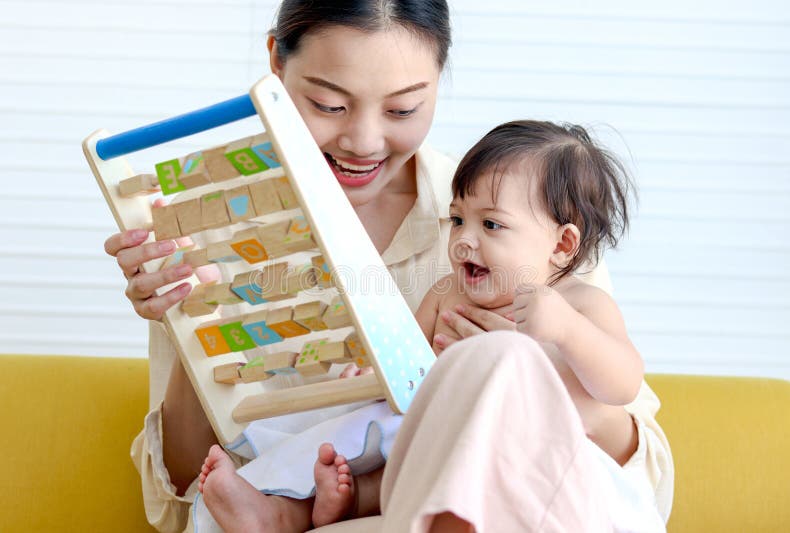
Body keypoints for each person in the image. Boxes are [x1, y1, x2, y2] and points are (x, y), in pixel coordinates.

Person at [101, 1, 614, 531]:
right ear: (276, 62)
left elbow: (629, 466)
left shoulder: (528, 220)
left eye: (402, 110)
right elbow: (183, 498)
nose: (363, 142)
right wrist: (191, 321)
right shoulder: (211, 230)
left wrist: (517, 376)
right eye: (328, 104)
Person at [196, 121, 674, 532]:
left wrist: (567, 331)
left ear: (563, 244)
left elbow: (622, 382)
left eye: (491, 225)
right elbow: (404, 360)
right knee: (377, 435)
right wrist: (372, 378)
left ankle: (353, 500)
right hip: (429, 445)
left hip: (525, 457)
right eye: (457, 219)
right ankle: (286, 511)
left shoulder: (580, 304)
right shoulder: (448, 293)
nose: (464, 240)